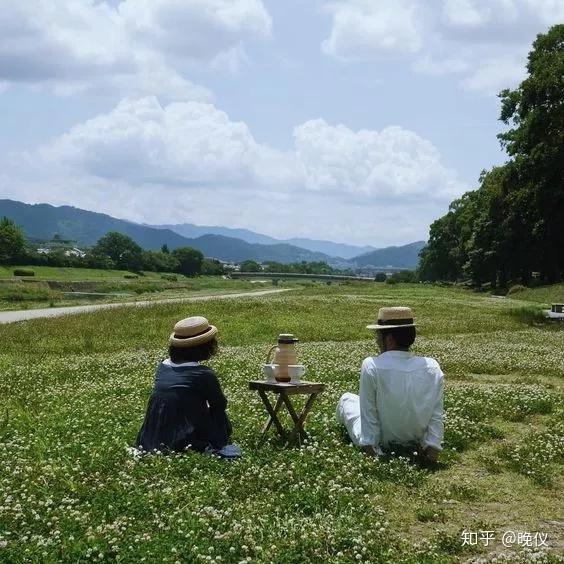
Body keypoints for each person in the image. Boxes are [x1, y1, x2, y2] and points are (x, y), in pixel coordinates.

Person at [336, 306, 444, 465]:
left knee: (346, 399)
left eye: (378, 335)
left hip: (383, 439)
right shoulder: (432, 367)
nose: (376, 340)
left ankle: (366, 441)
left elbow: (368, 412)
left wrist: (371, 450)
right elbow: (436, 413)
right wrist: (432, 448)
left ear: (389, 339)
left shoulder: (371, 365)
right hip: (416, 440)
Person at [135, 316, 240, 458]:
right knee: (219, 415)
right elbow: (220, 405)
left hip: (152, 435)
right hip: (182, 436)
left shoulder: (163, 366)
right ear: (204, 346)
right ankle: (207, 442)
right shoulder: (203, 374)